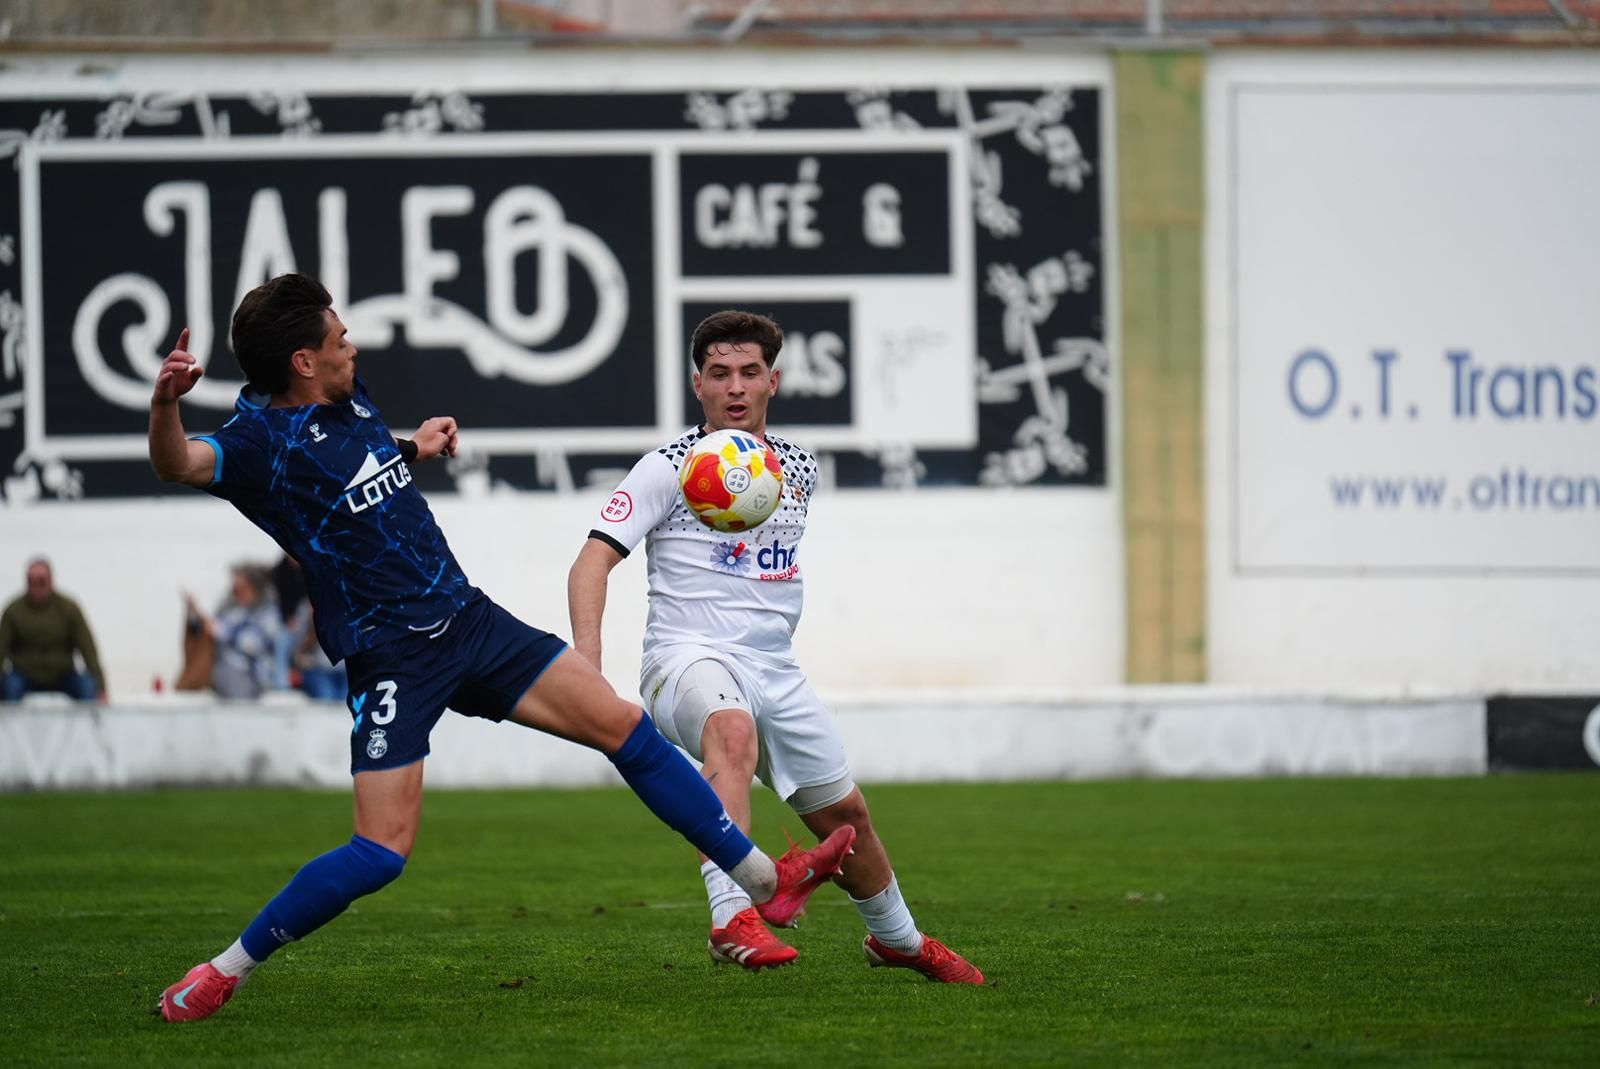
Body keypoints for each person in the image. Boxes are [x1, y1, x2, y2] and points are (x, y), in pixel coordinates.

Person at [147, 274, 855, 1023]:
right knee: (380, 852)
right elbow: (177, 464)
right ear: (302, 360)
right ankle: (224, 970)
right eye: (338, 337)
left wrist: (414, 446)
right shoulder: (258, 443)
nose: (351, 344)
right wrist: (165, 404)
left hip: (470, 621)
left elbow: (355, 459)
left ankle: (764, 882)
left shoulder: (345, 399)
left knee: (623, 726)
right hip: (393, 656)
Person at [568, 310, 983, 984]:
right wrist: (586, 664)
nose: (736, 387)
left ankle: (898, 939)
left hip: (773, 667)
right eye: (721, 374)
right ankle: (733, 916)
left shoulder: (794, 467)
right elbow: (590, 563)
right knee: (730, 735)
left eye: (750, 373)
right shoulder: (666, 468)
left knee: (845, 816)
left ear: (773, 381)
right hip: (684, 658)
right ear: (697, 383)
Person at [0, 557, 106, 702]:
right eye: (31, 581)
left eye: (41, 581)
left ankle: (88, 724)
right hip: (24, 674)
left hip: (62, 675)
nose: (36, 586)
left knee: (86, 686)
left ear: (51, 581)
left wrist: (101, 687)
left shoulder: (68, 608)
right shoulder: (13, 611)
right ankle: (8, 725)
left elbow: (88, 648)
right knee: (9, 686)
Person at [183, 565, 288, 699]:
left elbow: (254, 643)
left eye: (239, 587)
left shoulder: (268, 612)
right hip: (222, 671)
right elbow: (212, 626)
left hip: (251, 675)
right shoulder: (231, 607)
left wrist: (222, 632)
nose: (235, 592)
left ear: (253, 587)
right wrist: (194, 612)